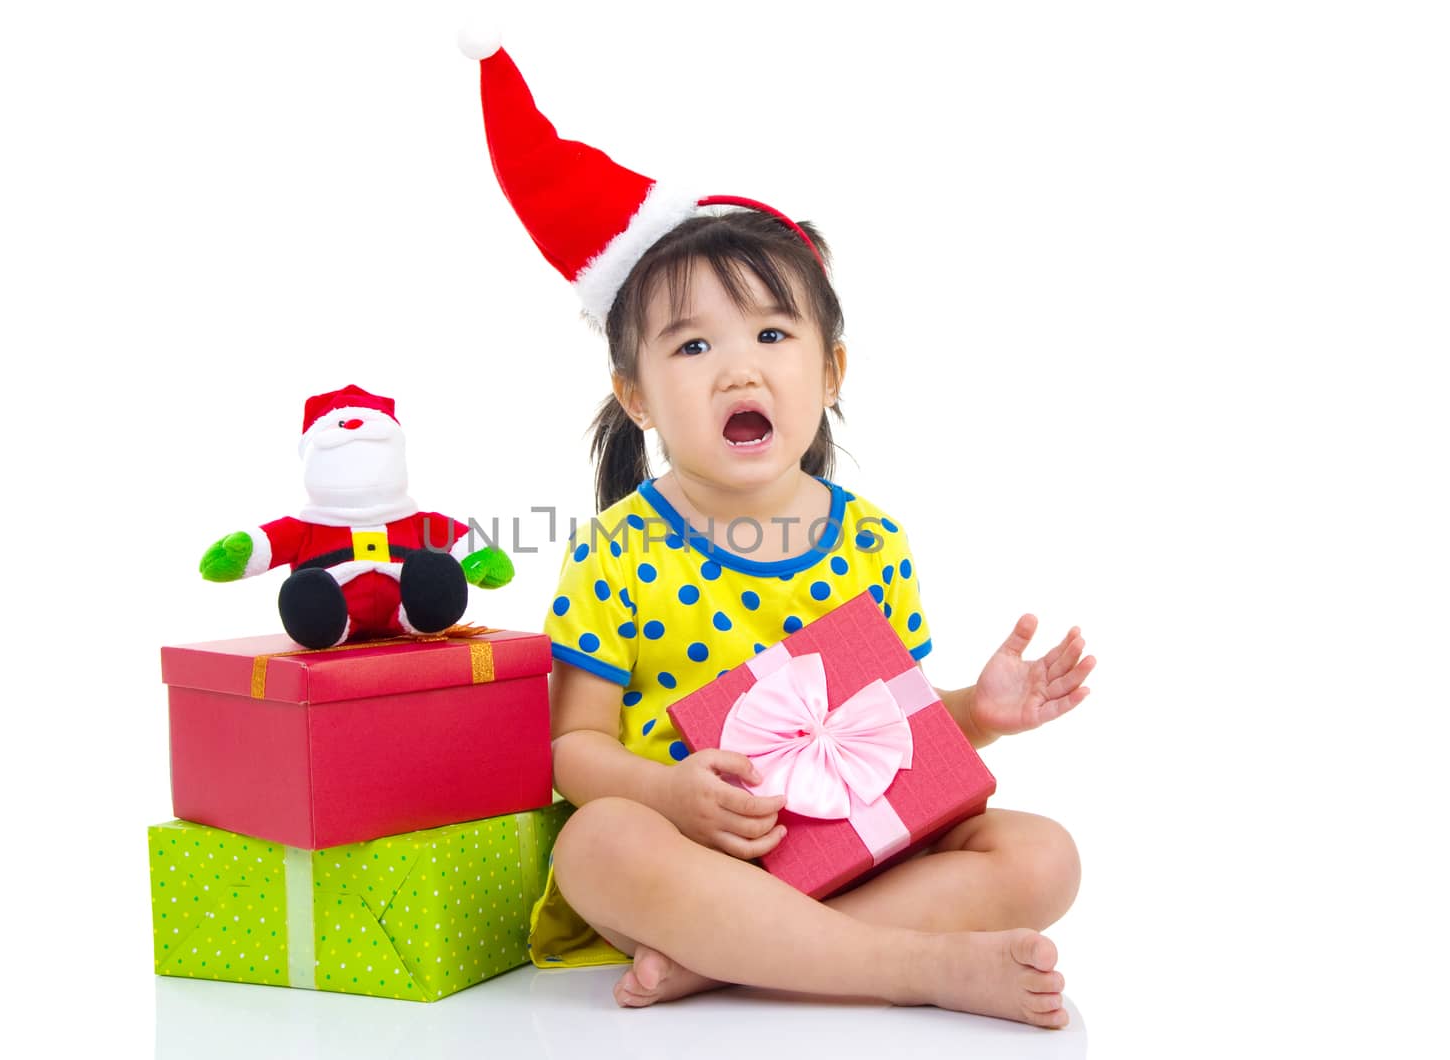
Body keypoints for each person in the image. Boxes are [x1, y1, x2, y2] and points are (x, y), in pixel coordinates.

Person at [463, 35, 1094, 1029]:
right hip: (687, 865)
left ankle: (731, 961)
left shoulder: (872, 541)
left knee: (1043, 851)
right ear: (635, 393)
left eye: (770, 334)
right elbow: (573, 748)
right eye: (693, 343)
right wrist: (667, 795)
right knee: (596, 845)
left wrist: (980, 708)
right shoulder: (620, 547)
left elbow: (900, 736)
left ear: (830, 371)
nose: (737, 369)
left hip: (853, 853)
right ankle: (909, 964)